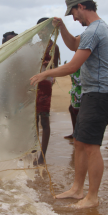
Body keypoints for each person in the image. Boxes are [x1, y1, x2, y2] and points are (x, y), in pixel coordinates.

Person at [30, 0, 108, 208]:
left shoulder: (93, 31)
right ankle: (77, 189)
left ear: (81, 7)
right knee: (80, 142)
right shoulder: (96, 28)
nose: (73, 18)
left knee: (91, 146)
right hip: (93, 93)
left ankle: (92, 197)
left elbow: (73, 66)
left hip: (100, 94)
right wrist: (62, 28)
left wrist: (45, 73)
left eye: (73, 13)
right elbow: (72, 45)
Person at [35, 18, 60, 165]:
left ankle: (42, 155)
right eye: (39, 29)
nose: (41, 32)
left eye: (44, 28)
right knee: (34, 120)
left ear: (51, 30)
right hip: (33, 84)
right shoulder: (35, 46)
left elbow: (55, 68)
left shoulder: (53, 47)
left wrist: (47, 65)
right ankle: (34, 151)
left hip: (44, 85)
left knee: (44, 119)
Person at [64, 67, 82, 140]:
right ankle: (75, 133)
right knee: (71, 109)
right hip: (75, 86)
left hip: (81, 88)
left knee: (78, 111)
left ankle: (79, 135)